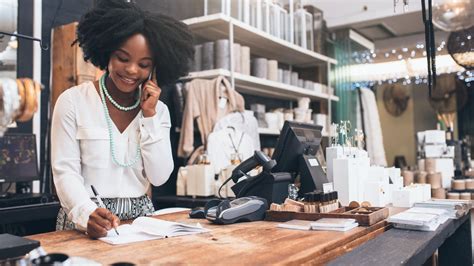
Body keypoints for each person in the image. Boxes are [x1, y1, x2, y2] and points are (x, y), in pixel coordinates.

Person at [51, 0, 194, 238]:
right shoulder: (72, 101)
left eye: (144, 64)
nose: (131, 70)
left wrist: (149, 116)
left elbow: (159, 177)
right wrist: (87, 214)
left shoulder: (159, 111)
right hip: (85, 219)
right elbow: (65, 172)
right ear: (106, 53)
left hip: (142, 224)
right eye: (123, 58)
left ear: (154, 68)